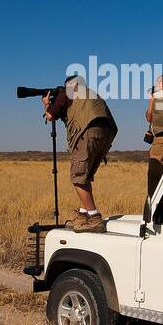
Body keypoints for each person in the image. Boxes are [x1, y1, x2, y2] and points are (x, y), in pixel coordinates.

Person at [42, 74, 117, 231]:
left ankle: (95, 218)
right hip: (107, 132)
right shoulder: (90, 94)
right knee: (86, 175)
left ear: (73, 84)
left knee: (77, 177)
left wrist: (47, 104)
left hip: (88, 131)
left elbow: (50, 116)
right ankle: (83, 216)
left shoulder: (68, 92)